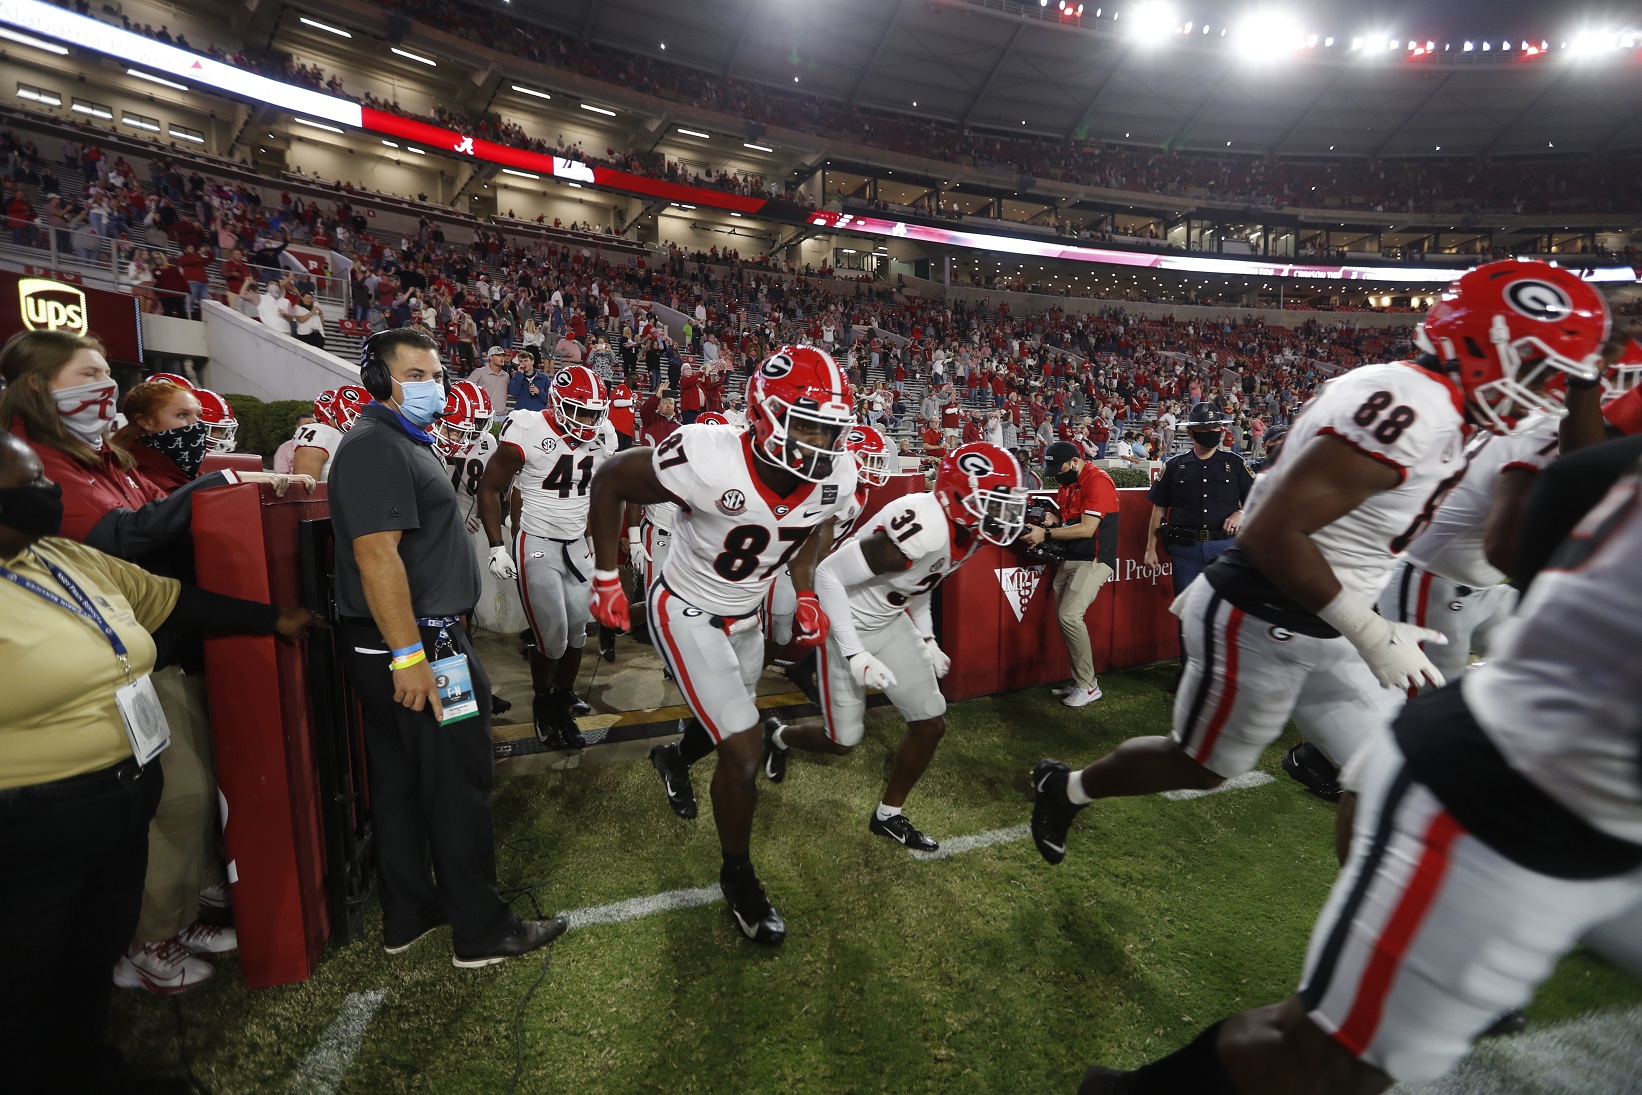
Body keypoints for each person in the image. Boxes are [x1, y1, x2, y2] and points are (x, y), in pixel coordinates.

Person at [1079, 455, 1642, 1095]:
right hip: (1512, 786)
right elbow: (1549, 499)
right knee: (1331, 1057)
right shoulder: (1417, 427)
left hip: (1575, 787)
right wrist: (1372, 629)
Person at [1027, 260, 1610, 867]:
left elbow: (1578, 468)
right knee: (1202, 766)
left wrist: (1585, 378)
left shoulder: (1429, 397)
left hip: (1326, 612)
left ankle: (1367, 923)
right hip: (1261, 613)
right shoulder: (1410, 411)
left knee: (1387, 767)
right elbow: (1274, 535)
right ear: (1488, 350)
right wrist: (1372, 631)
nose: (1546, 390)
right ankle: (1065, 788)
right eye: (1541, 369)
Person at [0, 430, 323, 1092]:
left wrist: (270, 617)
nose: (48, 494)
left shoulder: (62, 557)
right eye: (27, 485)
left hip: (121, 792)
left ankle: (84, 1066)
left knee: (88, 957)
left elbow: (170, 600)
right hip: (28, 817)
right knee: (23, 976)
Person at [587, 345, 858, 945]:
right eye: (807, 425)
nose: (821, 445)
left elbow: (815, 527)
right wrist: (607, 574)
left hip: (746, 614)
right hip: (684, 607)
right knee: (744, 744)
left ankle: (673, 759)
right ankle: (739, 877)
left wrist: (805, 589)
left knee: (719, 724)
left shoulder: (837, 475)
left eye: (831, 430)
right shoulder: (709, 457)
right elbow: (608, 479)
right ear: (763, 414)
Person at [328, 328, 564, 967]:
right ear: (378, 379)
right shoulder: (377, 444)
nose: (433, 386)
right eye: (415, 374)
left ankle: (411, 911)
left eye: (436, 373)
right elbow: (376, 555)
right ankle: (482, 930)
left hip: (403, 639)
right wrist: (411, 654)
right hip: (423, 641)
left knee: (401, 779)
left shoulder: (392, 439)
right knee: (459, 775)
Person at [766, 443, 1026, 852]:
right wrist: (854, 654)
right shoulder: (923, 528)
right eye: (993, 503)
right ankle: (779, 735)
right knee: (843, 741)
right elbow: (828, 576)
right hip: (845, 624)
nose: (1003, 516)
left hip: (889, 623)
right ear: (957, 499)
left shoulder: (966, 532)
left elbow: (920, 584)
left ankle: (887, 816)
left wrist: (927, 637)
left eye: (1006, 505)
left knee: (930, 722)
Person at [478, 364, 616, 748]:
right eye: (580, 410)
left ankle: (561, 698)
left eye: (594, 412)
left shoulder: (601, 434)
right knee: (552, 635)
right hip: (537, 542)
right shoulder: (528, 427)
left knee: (578, 632)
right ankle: (543, 703)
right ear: (557, 403)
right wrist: (496, 544)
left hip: (576, 544)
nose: (589, 420)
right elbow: (489, 488)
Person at [1020, 440, 1119, 708]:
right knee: (1065, 619)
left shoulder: (1098, 480)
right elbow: (1070, 518)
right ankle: (1079, 681)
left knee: (1069, 616)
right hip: (1072, 557)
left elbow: (1087, 529)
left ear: (1075, 462)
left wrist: (1046, 533)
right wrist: (1052, 520)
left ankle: (1088, 685)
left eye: (1059, 468)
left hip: (1094, 558)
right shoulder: (1068, 481)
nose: (1057, 475)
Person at [1144, 403, 1254, 595]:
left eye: (1214, 427)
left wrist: (1241, 513)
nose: (1211, 432)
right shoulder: (1174, 466)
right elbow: (1159, 508)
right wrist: (1150, 549)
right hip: (1186, 550)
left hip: (1225, 547)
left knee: (1223, 613)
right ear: (1191, 433)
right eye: (1204, 428)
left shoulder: (1236, 463)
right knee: (1187, 612)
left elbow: (1257, 500)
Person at [293, 386, 372, 483]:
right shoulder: (318, 433)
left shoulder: (351, 437)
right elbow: (306, 491)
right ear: (342, 411)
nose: (364, 424)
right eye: (359, 418)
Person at [472, 346, 512, 414]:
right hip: (485, 415)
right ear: (490, 357)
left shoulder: (506, 375)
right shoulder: (479, 372)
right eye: (499, 355)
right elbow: (467, 389)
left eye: (503, 355)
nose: (502, 358)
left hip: (503, 414)